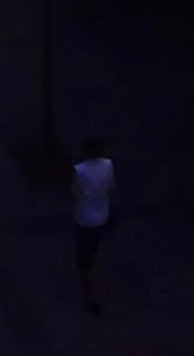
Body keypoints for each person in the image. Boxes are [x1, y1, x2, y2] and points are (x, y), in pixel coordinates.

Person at [71, 134, 115, 315]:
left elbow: (76, 190)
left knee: (82, 245)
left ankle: (85, 271)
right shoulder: (108, 165)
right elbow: (111, 186)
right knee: (94, 243)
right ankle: (89, 267)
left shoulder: (80, 170)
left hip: (84, 215)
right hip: (102, 213)